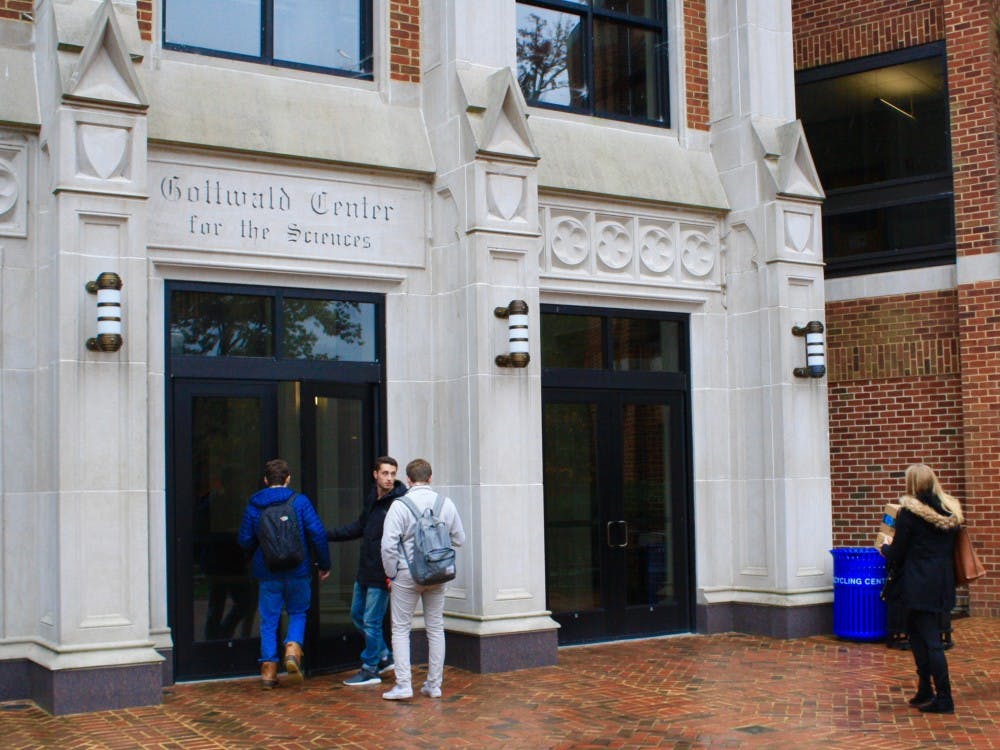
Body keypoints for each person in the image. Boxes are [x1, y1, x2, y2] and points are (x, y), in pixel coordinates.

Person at [238, 458, 331, 689]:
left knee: (269, 620)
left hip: (268, 572)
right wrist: (324, 563)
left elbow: (244, 540)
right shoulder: (299, 502)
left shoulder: (255, 505)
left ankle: (269, 670)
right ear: (288, 478)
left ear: (266, 480)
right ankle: (292, 647)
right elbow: (317, 533)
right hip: (298, 569)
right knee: (298, 612)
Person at [380, 458, 465, 700]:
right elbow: (460, 539)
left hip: (407, 574)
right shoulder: (445, 504)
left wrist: (391, 573)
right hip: (438, 574)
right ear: (430, 478)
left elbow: (388, 546)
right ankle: (433, 685)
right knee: (436, 627)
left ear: (408, 479)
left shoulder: (400, 505)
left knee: (400, 629)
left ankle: (404, 685)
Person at [880, 463, 963, 714]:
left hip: (916, 583)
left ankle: (944, 698)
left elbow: (898, 553)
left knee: (929, 640)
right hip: (942, 581)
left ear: (912, 483)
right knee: (917, 635)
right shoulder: (950, 512)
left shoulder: (909, 515)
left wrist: (884, 548)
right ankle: (925, 688)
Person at [328, 456, 409, 686]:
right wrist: (327, 535)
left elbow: (403, 541)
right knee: (357, 615)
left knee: (372, 621)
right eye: (385, 473)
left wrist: (393, 573)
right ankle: (384, 656)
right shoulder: (373, 498)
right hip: (365, 568)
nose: (390, 478)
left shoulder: (398, 502)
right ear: (375, 474)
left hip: (382, 572)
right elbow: (360, 527)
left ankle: (370, 668)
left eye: (393, 473)